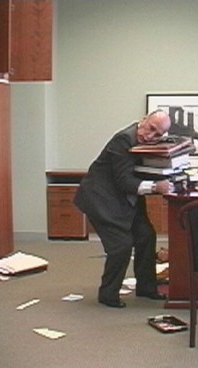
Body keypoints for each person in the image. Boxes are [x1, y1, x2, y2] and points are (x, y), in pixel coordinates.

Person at [74, 110, 174, 308]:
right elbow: (124, 181)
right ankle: (108, 294)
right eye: (151, 128)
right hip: (102, 199)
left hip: (126, 199)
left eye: (157, 134)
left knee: (146, 236)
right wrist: (155, 187)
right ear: (144, 119)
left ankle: (146, 287)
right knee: (121, 246)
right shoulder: (123, 140)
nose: (150, 136)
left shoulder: (148, 142)